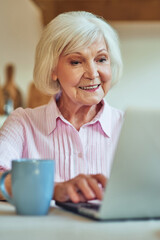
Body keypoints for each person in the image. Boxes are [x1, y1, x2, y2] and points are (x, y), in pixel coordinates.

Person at [0, 11, 123, 203]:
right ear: (53, 70)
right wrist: (52, 189)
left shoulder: (128, 126)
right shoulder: (23, 124)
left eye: (101, 59)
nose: (92, 73)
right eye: (76, 61)